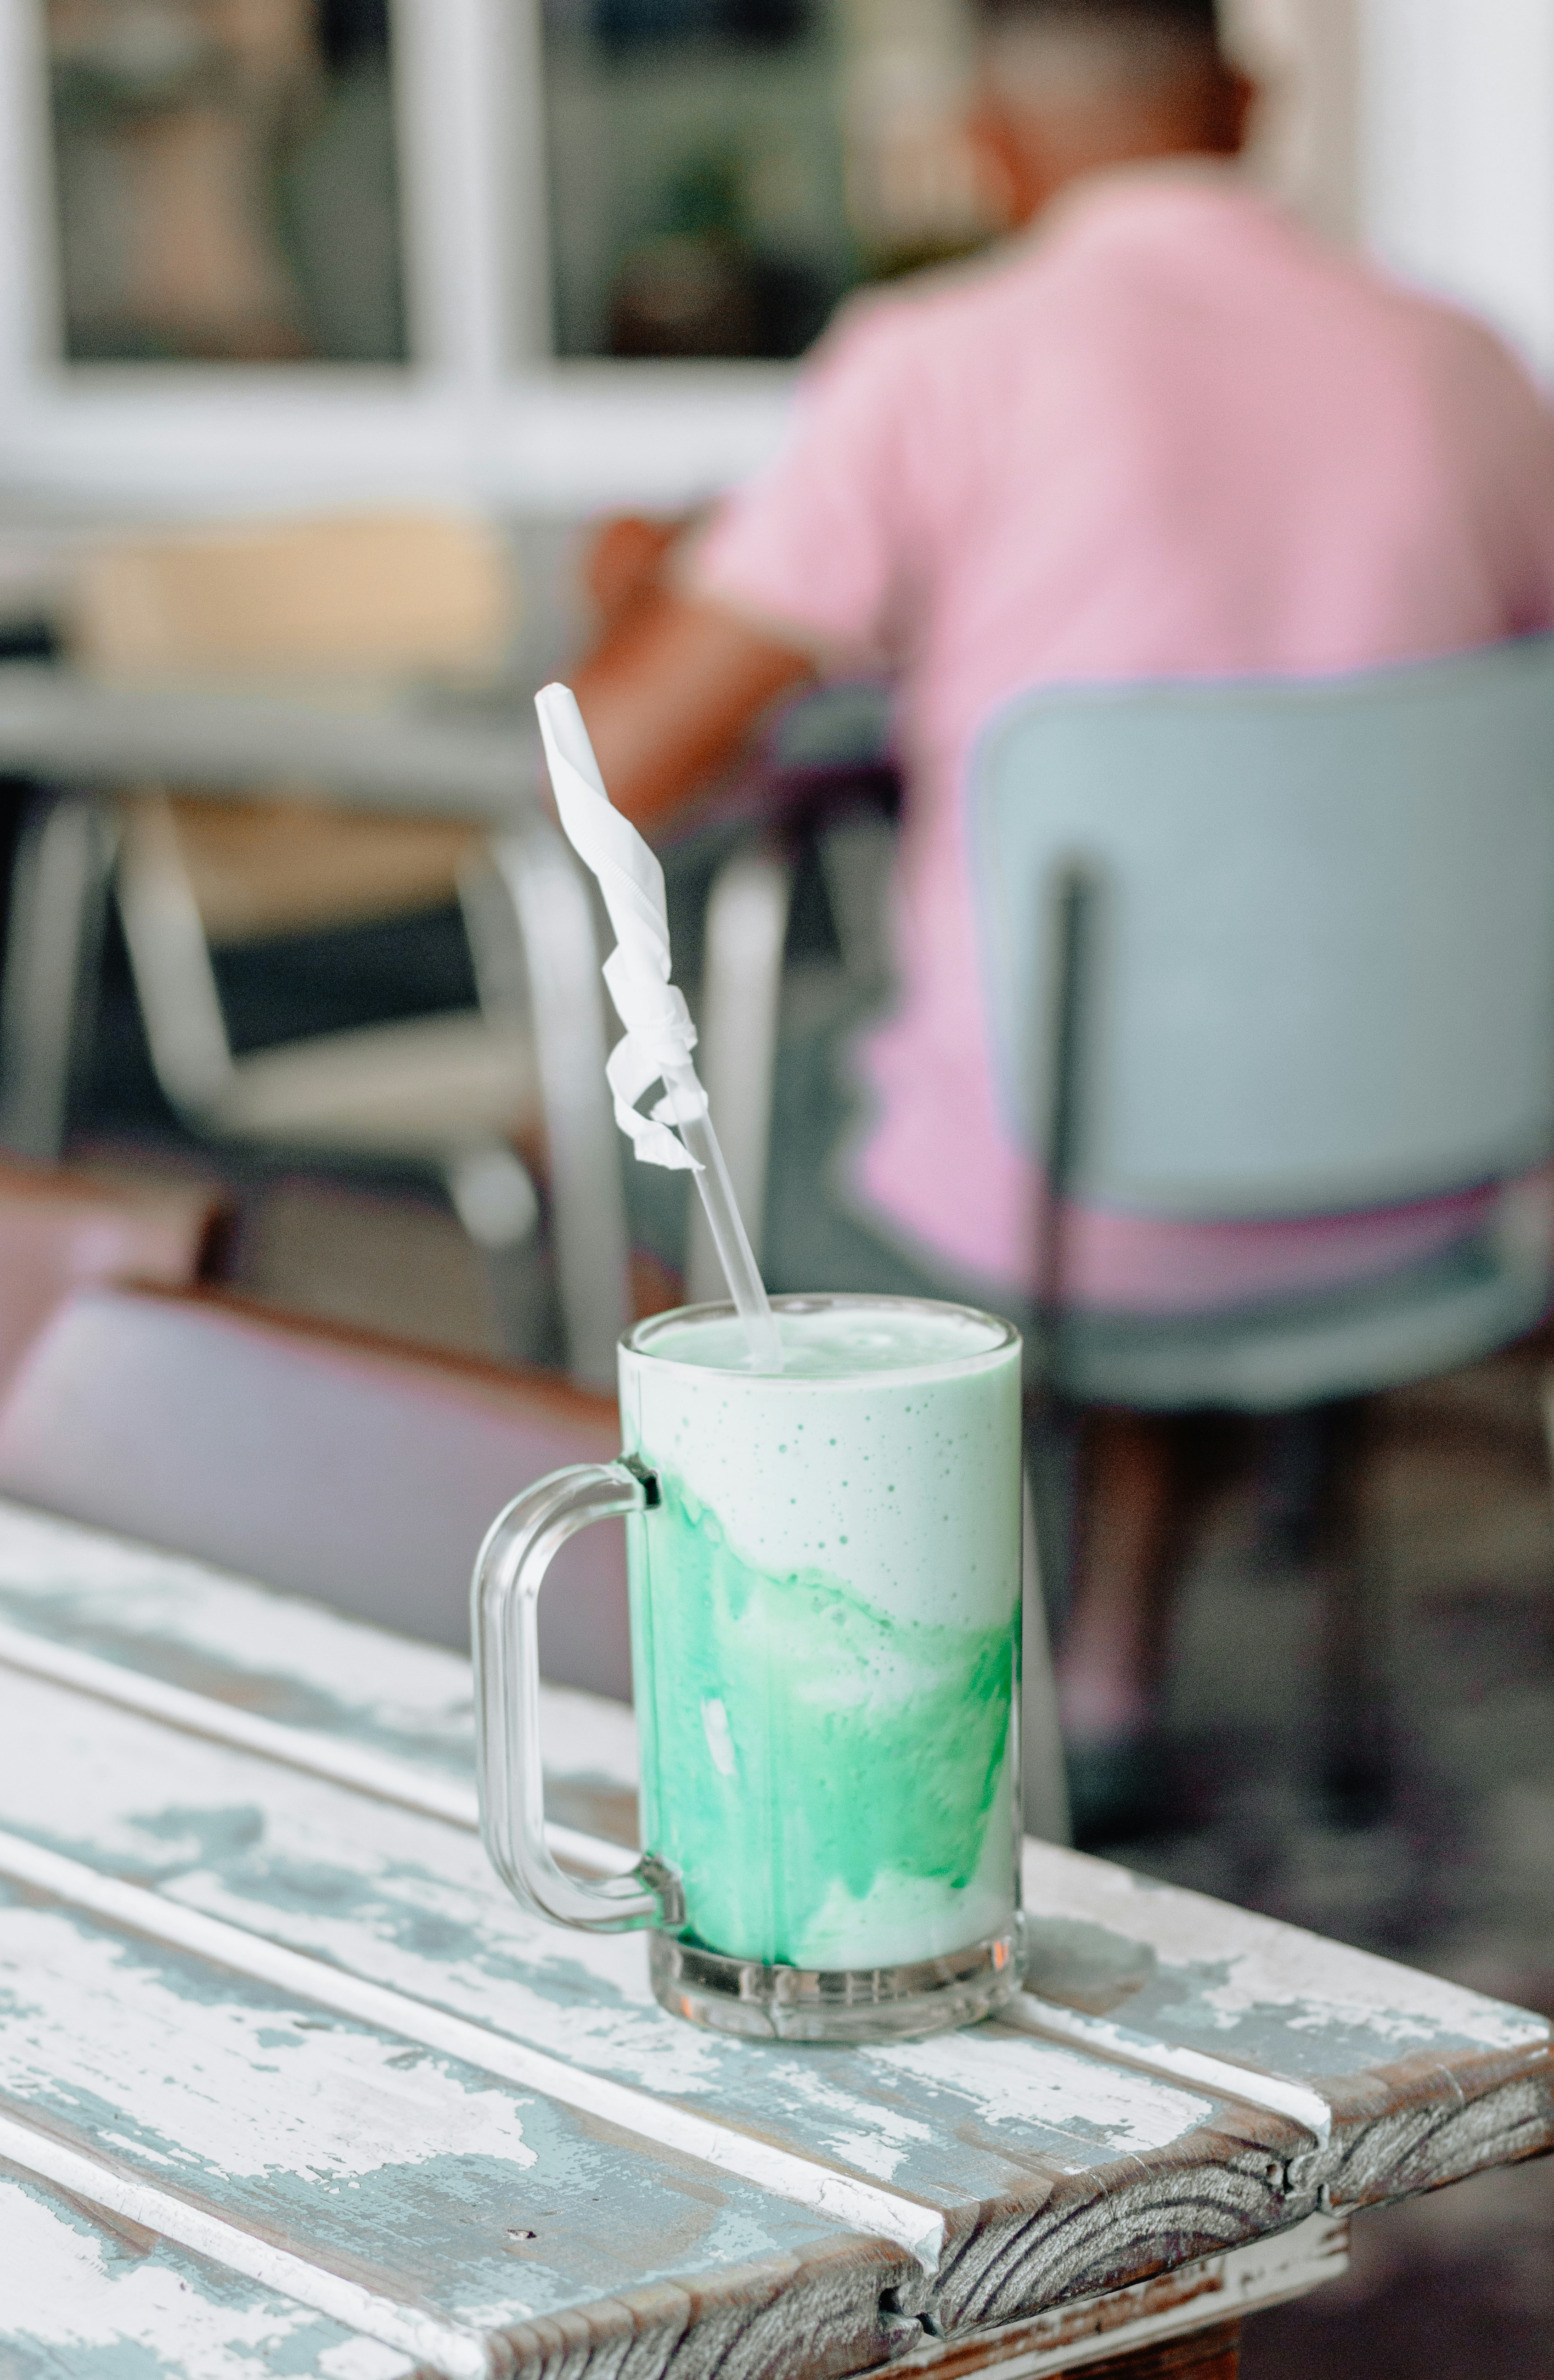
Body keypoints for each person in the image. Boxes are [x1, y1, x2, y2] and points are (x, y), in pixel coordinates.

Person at [567, 0, 1554, 1835]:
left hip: (1070, 1215)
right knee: (1173, 1064)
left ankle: (817, 1687)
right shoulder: (1471, 362)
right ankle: (1105, 1652)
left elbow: (616, 763)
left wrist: (652, 582)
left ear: (989, 150)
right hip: (1439, 1195)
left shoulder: (943, 360)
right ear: (1249, 105)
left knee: (664, 1135)